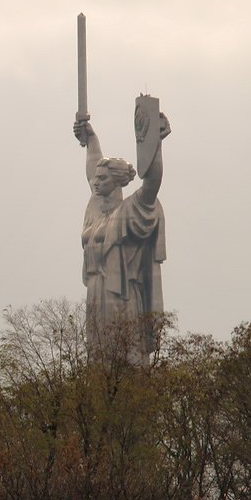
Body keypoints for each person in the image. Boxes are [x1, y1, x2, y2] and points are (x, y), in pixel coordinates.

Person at [73, 112, 170, 354]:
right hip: (96, 293)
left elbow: (152, 182)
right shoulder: (96, 208)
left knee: (124, 355)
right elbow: (92, 165)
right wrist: (91, 139)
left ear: (116, 182)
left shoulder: (130, 210)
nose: (96, 183)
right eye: (96, 178)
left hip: (122, 295)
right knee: (97, 357)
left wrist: (155, 143)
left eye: (102, 179)